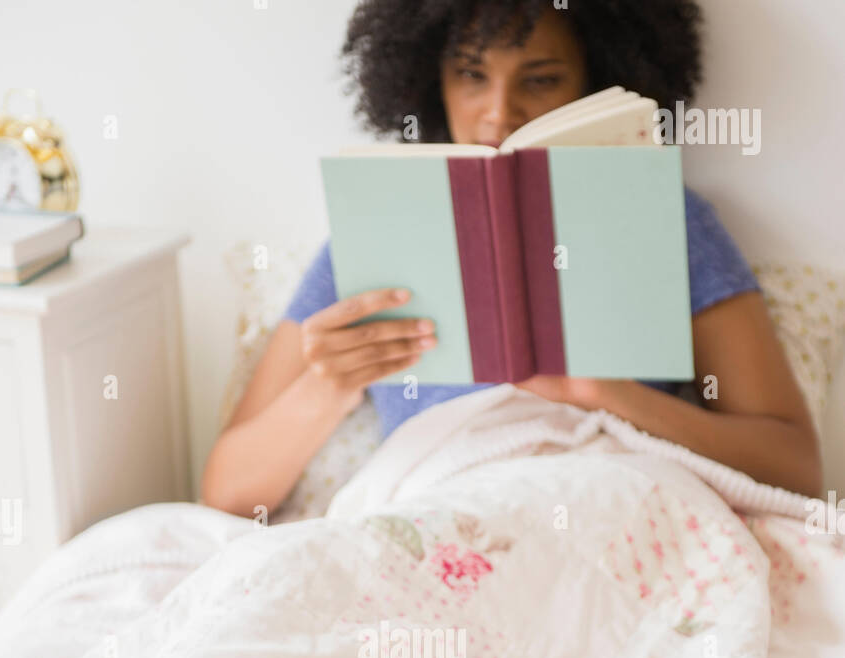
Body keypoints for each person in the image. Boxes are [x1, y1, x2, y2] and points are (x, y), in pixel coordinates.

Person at [200, 0, 822, 516]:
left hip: (606, 503)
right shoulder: (368, 237)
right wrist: (326, 389)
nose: (499, 112)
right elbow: (225, 495)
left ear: (598, 80)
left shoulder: (671, 219)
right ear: (429, 79)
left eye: (541, 78)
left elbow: (795, 470)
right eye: (472, 75)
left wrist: (603, 393)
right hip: (431, 506)